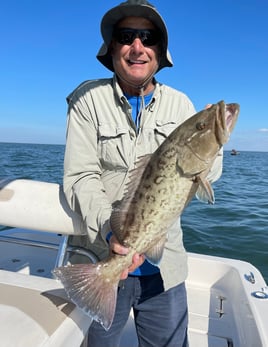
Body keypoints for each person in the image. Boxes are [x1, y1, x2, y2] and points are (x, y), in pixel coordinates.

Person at [63, 1, 223, 346]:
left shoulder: (180, 105)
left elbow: (207, 176)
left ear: (160, 51)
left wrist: (215, 139)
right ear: (112, 48)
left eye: (148, 38)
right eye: (126, 36)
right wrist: (111, 231)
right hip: (101, 256)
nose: (138, 47)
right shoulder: (87, 100)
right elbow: (80, 178)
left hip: (164, 270)